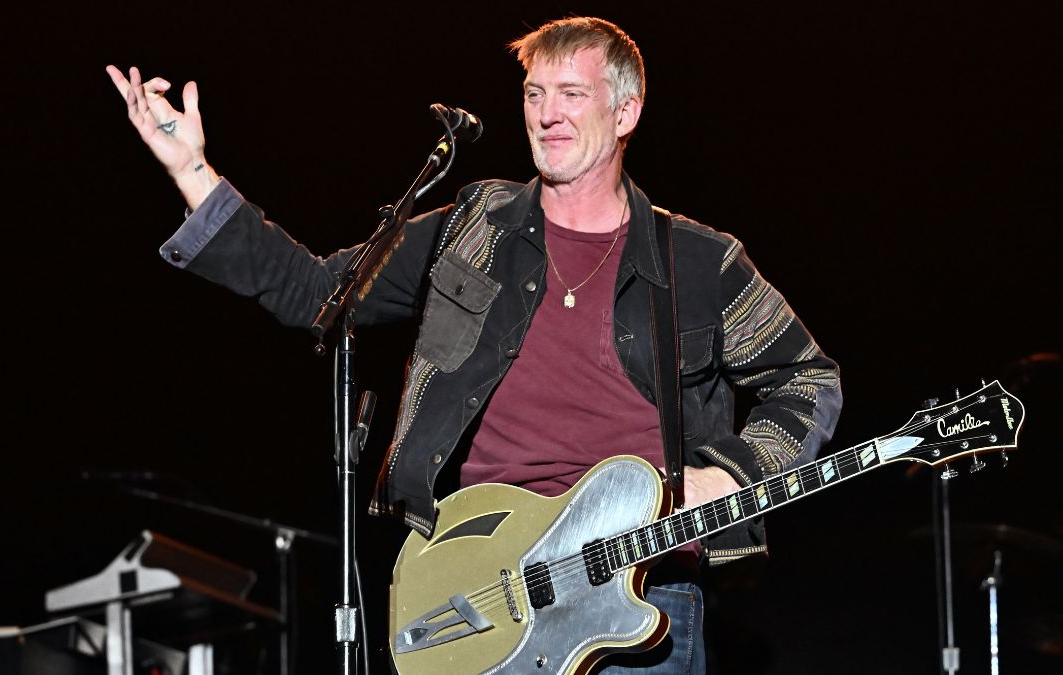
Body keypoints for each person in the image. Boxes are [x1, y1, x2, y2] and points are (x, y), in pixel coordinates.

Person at [107, 16, 841, 675]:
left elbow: (809, 378)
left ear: (626, 112)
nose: (547, 114)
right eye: (533, 93)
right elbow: (317, 293)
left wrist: (732, 471)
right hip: (487, 579)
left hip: (637, 585)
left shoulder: (696, 260)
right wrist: (191, 171)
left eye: (571, 94)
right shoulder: (475, 228)